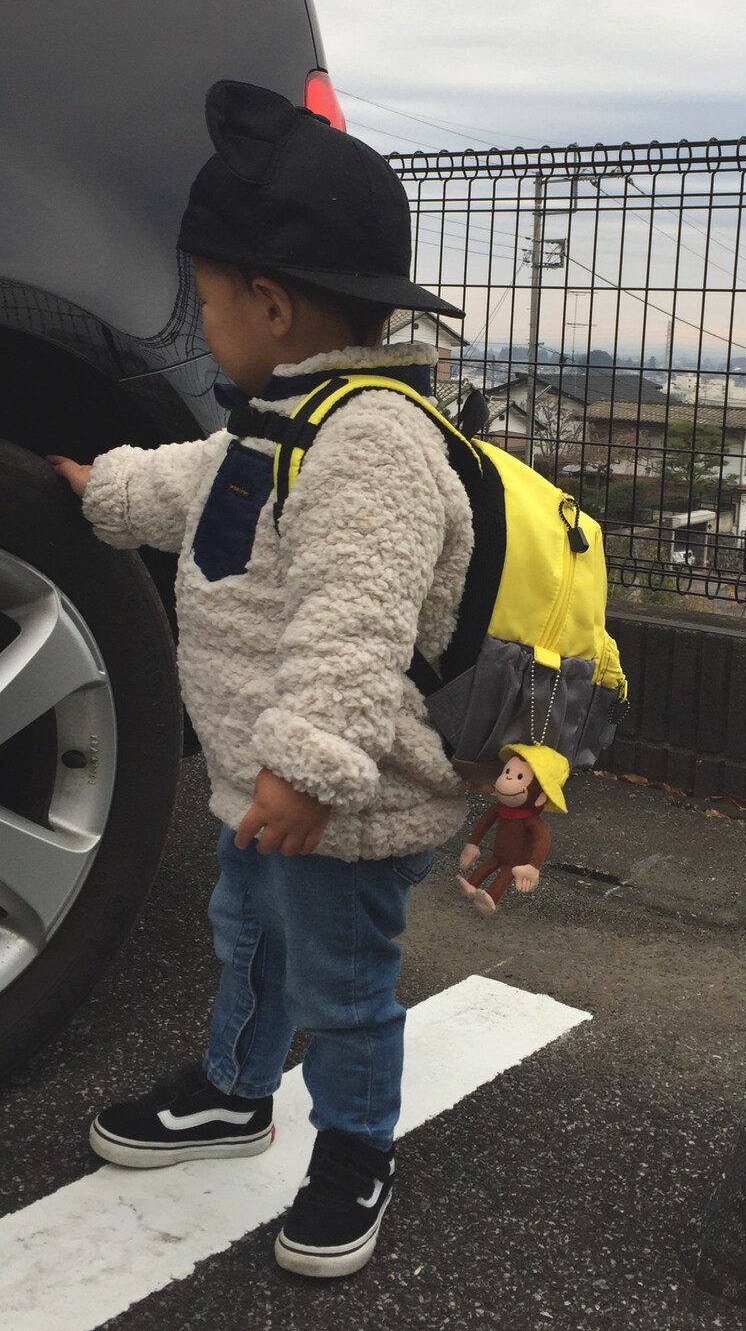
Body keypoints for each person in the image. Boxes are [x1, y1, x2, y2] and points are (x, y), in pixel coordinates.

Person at [48, 80, 473, 1280]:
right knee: (248, 938)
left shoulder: (372, 440)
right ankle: (236, 1091)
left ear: (272, 304)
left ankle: (356, 1149)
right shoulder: (286, 414)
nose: (200, 317)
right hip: (267, 784)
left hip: (338, 800)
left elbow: (354, 621)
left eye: (206, 296)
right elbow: (202, 483)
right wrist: (103, 488)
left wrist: (309, 769)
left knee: (342, 985)